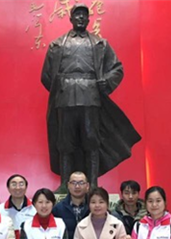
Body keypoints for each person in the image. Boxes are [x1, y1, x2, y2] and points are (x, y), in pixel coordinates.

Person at [41, 3, 140, 191]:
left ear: (88, 20)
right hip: (65, 98)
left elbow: (117, 69)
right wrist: (62, 88)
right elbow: (46, 76)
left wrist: (106, 82)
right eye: (77, 15)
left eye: (84, 15)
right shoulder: (57, 45)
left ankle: (93, 184)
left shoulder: (100, 44)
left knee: (91, 140)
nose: (80, 18)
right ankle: (65, 184)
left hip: (90, 97)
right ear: (70, 19)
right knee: (65, 142)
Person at [52, 171, 90, 239]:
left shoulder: (94, 208)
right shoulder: (58, 209)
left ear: (87, 186)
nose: (77, 186)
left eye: (81, 183)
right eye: (73, 183)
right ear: (68, 185)